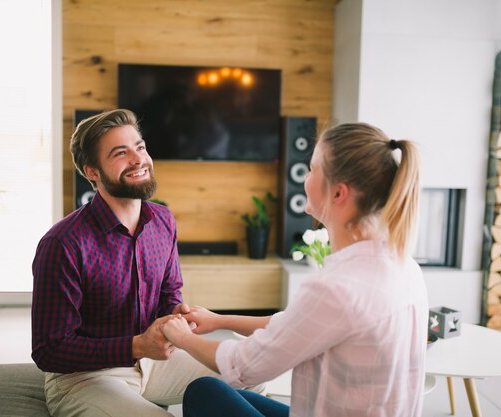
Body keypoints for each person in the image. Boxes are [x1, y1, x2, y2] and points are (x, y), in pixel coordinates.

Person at [161, 122, 429, 417]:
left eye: (312, 169)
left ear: (339, 193)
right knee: (222, 394)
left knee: (205, 390)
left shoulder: (339, 288)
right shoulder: (404, 265)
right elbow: (297, 323)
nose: (305, 177)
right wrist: (219, 319)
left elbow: (244, 366)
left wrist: (183, 338)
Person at [31, 109, 221, 417]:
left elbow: (169, 294)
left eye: (140, 147)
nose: (138, 159)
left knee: (247, 374)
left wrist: (175, 316)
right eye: (121, 153)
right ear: (91, 171)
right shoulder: (62, 244)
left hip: (153, 362)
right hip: (85, 377)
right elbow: (49, 350)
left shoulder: (163, 220)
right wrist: (137, 346)